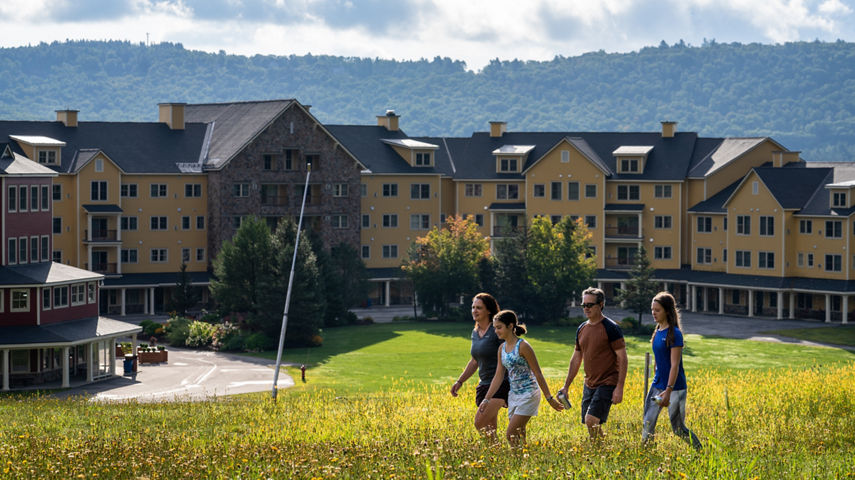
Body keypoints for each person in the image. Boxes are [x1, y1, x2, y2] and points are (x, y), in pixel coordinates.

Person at [479, 310, 563, 447]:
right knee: (520, 433)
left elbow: (538, 373)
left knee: (510, 434)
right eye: (495, 328)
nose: (496, 331)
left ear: (510, 326)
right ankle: (523, 462)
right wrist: (487, 399)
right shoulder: (502, 348)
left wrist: (549, 398)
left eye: (499, 327)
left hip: (529, 394)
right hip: (514, 395)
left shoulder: (523, 346)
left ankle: (518, 461)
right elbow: (499, 376)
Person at [558, 287, 628, 440]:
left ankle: (600, 452)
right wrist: (566, 385)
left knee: (591, 420)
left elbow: (622, 358)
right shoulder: (582, 328)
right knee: (590, 422)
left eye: (590, 305)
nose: (586, 308)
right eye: (584, 305)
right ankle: (602, 452)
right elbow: (576, 358)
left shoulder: (611, 328)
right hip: (589, 383)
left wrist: (619, 387)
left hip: (608, 381)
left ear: (601, 305)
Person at [642, 291, 702, 450]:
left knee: (678, 429)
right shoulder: (656, 332)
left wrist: (668, 390)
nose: (653, 313)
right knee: (647, 423)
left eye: (657, 310)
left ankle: (701, 451)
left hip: (675, 388)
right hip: (657, 386)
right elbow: (659, 358)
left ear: (667, 311)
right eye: (652, 309)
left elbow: (674, 365)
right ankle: (646, 456)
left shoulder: (675, 334)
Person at [450, 293, 509, 440]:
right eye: (473, 307)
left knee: (479, 422)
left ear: (488, 310)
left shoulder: (496, 331)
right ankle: (496, 457)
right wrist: (460, 381)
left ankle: (497, 453)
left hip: (500, 385)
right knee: (490, 429)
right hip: (483, 385)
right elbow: (475, 361)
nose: (474, 311)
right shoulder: (475, 333)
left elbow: (510, 355)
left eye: (479, 308)